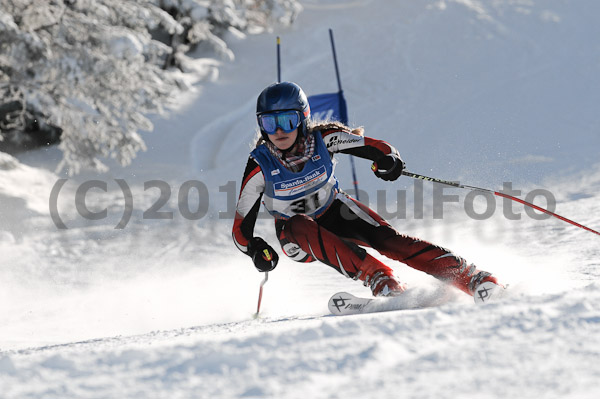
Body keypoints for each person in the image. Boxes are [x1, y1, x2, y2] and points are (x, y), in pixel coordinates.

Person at [232, 81, 502, 300]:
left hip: (334, 210)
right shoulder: (260, 164)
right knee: (300, 224)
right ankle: (379, 277)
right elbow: (241, 229)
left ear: (302, 119)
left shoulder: (323, 140)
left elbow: (378, 148)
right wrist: (256, 248)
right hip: (296, 237)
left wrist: (388, 161)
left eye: (288, 121)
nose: (279, 131)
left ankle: (468, 276)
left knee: (387, 239)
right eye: (270, 123)